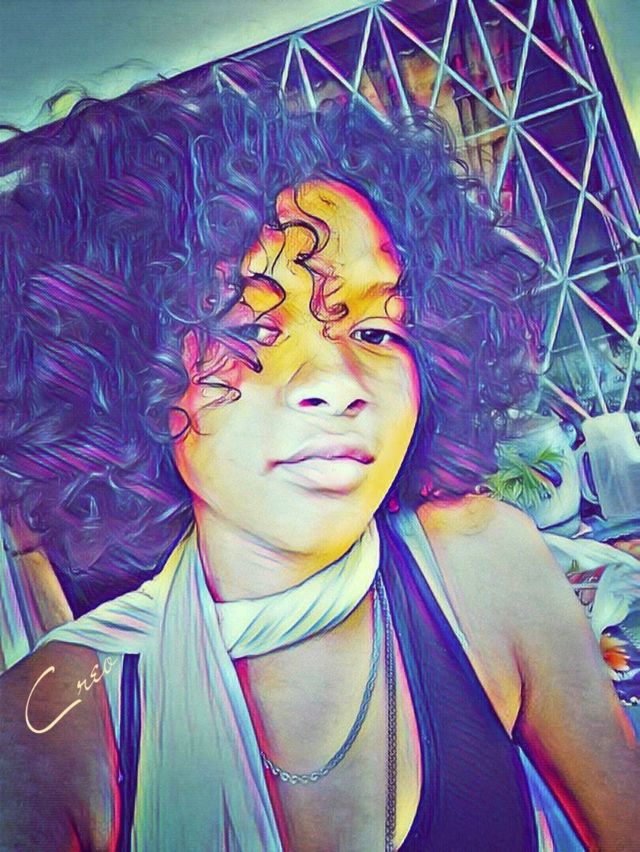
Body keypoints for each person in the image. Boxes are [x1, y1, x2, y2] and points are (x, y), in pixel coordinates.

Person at [0, 68, 638, 851]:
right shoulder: (49, 727)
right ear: (132, 369)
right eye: (252, 330)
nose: (337, 381)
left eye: (377, 331)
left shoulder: (482, 568)